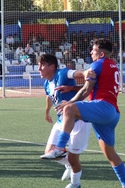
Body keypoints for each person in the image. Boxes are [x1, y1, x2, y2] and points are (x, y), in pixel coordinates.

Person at [41, 39, 125, 188]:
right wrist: (71, 89)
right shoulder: (113, 65)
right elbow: (93, 86)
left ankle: (59, 149)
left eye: (94, 50)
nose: (91, 52)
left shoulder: (97, 64)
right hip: (112, 114)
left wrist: (69, 102)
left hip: (102, 107)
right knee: (111, 155)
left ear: (101, 53)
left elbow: (86, 89)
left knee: (69, 109)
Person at [38, 54, 92, 185]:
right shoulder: (46, 83)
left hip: (79, 121)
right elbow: (49, 96)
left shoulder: (63, 73)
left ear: (52, 67)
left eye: (42, 65)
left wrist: (83, 75)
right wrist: (46, 111)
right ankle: (69, 165)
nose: (39, 68)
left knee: (74, 158)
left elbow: (79, 75)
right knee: (48, 152)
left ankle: (75, 183)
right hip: (61, 120)